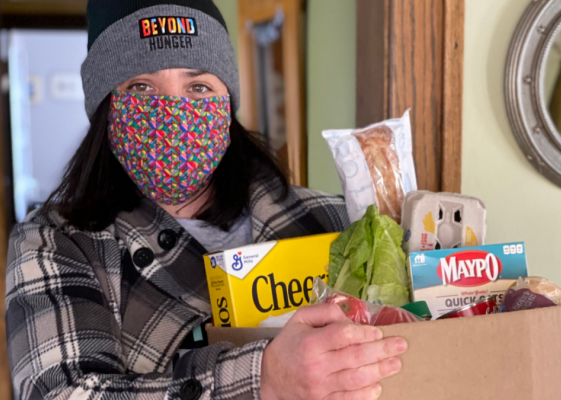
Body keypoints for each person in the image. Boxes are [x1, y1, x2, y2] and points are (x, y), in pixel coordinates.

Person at [5, 1, 407, 399]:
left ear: (227, 104)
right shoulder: (56, 243)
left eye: (198, 87)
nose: (173, 113)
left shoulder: (335, 220)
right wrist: (262, 378)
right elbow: (61, 393)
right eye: (141, 88)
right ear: (106, 109)